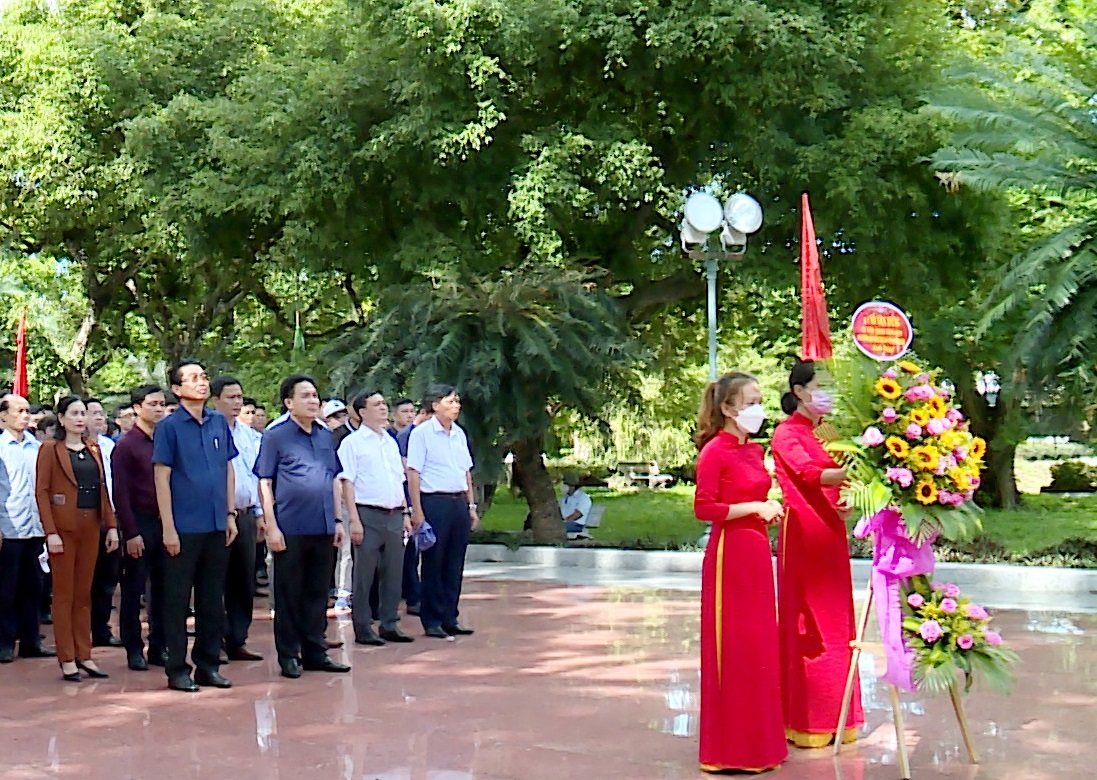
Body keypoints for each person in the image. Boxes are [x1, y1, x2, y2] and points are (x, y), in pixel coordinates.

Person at [693, 371, 786, 773]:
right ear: (728, 409)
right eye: (749, 402)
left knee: (760, 646)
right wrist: (753, 509)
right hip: (731, 554)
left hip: (756, 551)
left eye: (759, 400)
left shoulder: (754, 450)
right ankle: (729, 748)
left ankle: (759, 746)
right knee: (736, 645)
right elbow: (705, 508)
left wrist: (772, 510)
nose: (758, 409)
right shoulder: (715, 452)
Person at [772, 360, 862, 748]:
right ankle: (807, 721)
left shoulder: (827, 430)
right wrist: (871, 468)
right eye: (820, 386)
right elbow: (810, 475)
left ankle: (842, 717)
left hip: (831, 531)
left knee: (839, 621)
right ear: (799, 393)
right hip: (804, 534)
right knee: (812, 626)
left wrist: (850, 500)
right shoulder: (785, 433)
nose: (827, 393)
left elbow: (844, 474)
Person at [254, 374, 350, 679]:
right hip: (290, 527)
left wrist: (337, 519)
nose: (313, 401)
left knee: (318, 593)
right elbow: (265, 481)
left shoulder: (324, 435)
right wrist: (271, 526)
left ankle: (315, 651)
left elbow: (332, 479)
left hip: (322, 526)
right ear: (288, 402)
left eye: (315, 396)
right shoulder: (276, 436)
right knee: (288, 593)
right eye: (305, 396)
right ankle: (288, 655)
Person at [153, 359, 239, 692]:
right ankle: (177, 668)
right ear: (177, 389)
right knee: (176, 600)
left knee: (211, 598)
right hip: (184, 526)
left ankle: (208, 665)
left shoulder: (218, 421)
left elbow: (228, 469)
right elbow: (162, 476)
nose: (201, 383)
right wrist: (168, 527)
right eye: (192, 379)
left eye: (204, 377)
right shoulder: (169, 427)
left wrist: (230, 513)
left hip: (217, 522)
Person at [35, 396, 119, 682]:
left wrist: (111, 525)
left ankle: (85, 654)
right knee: (64, 595)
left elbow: (102, 488)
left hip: (90, 525)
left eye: (84, 413)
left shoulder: (93, 448)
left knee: (84, 594)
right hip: (64, 528)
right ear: (61, 418)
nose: (80, 418)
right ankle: (67, 657)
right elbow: (42, 492)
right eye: (74, 413)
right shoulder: (50, 449)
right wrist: (51, 533)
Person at [339, 390, 414, 646]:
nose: (383, 408)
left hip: (394, 513)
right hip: (367, 512)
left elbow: (398, 479)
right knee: (365, 573)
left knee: (394, 570)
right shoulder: (353, 443)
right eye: (377, 404)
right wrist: (354, 519)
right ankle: (363, 625)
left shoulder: (390, 442)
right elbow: (346, 482)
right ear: (362, 411)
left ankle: (389, 623)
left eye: (384, 403)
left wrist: (405, 513)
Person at [406, 385, 477, 640]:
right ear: (435, 405)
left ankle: (451, 616)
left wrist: (471, 505)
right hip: (434, 501)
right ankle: (432, 619)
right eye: (450, 401)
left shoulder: (459, 434)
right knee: (434, 561)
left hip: (458, 501)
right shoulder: (422, 434)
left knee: (455, 562)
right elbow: (413, 472)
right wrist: (417, 510)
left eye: (457, 401)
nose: (456, 406)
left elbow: (466, 471)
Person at [113, 384, 168, 671]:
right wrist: (130, 532)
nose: (158, 409)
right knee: (134, 589)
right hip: (139, 520)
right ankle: (134, 647)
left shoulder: (165, 440)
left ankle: (159, 646)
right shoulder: (126, 445)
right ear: (137, 407)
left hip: (166, 521)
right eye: (153, 404)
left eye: (161, 404)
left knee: (163, 588)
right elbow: (120, 493)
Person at [210, 377, 265, 662]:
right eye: (230, 397)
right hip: (216, 516)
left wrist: (260, 514)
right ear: (215, 400)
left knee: (243, 581)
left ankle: (237, 639)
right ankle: (214, 640)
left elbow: (258, 477)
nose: (237, 403)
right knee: (215, 581)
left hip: (246, 514)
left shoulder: (250, 436)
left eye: (240, 397)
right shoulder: (209, 432)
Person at [0, 394, 54, 663]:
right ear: (3, 416)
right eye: (18, 411)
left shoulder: (37, 447)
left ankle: (32, 641)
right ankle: (5, 642)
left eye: (26, 410)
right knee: (6, 590)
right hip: (9, 528)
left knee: (34, 589)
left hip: (36, 527)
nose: (25, 415)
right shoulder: (0, 448)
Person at [85, 397, 121, 648]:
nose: (99, 417)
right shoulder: (70, 448)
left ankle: (101, 628)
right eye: (93, 413)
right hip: (85, 519)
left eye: (101, 413)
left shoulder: (110, 446)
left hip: (112, 518)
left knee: (107, 579)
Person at [396, 403, 430, 616]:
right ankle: (413, 597)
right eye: (404, 412)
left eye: (411, 411)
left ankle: (416, 595)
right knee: (409, 553)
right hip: (407, 500)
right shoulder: (407, 436)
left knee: (416, 551)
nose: (408, 416)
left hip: (420, 498)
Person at [559, 473, 593, 540]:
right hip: (566, 523)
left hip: (576, 525)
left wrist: (565, 522)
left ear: (572, 486)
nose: (563, 486)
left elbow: (577, 514)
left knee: (555, 528)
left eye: (566, 484)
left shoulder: (583, 497)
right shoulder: (565, 497)